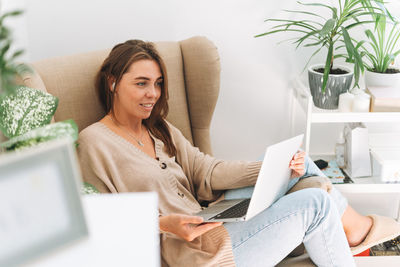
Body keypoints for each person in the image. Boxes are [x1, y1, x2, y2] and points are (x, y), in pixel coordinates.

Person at [78, 39, 400, 267]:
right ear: (112, 82)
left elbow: (205, 171)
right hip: (193, 254)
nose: (153, 94)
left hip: (213, 222)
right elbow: (101, 216)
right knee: (316, 202)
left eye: (159, 83)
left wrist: (269, 168)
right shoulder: (94, 141)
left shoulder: (157, 127)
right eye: (142, 83)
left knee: (298, 162)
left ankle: (355, 229)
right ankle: (357, 232)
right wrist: (164, 224)